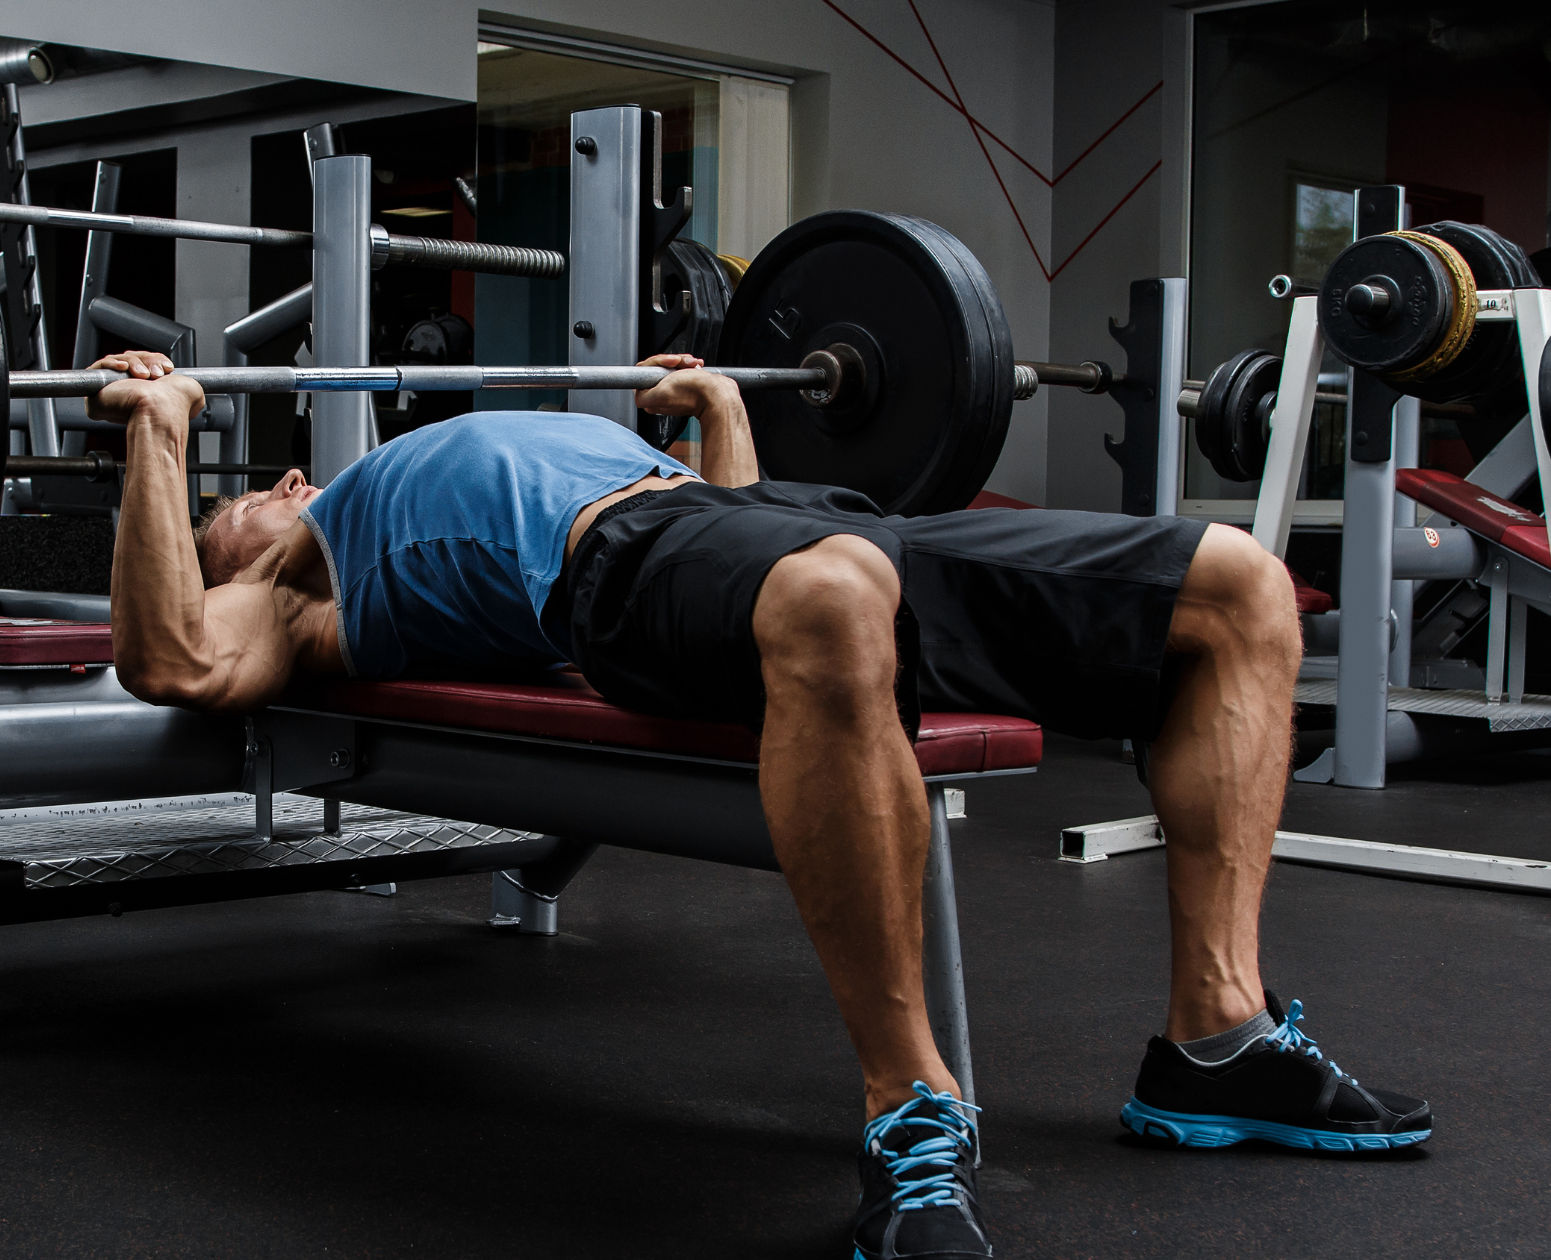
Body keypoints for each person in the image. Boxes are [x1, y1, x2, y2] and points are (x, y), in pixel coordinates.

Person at [87, 348, 1432, 1260]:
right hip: (614, 566)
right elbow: (172, 657)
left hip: (775, 515)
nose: (254, 503)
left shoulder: (366, 489)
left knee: (1238, 586)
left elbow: (734, 549)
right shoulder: (299, 589)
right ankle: (912, 1111)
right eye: (225, 517)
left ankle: (1217, 1037)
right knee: (834, 596)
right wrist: (161, 435)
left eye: (251, 491)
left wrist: (721, 410)